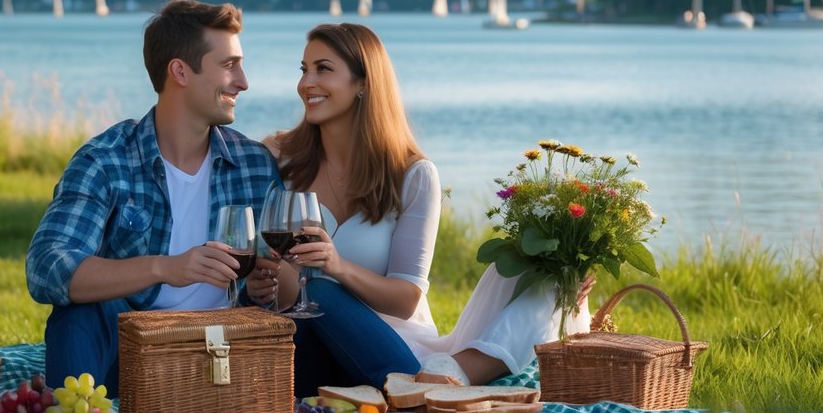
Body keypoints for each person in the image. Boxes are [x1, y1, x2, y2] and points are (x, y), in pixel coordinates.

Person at [246, 22, 591, 388]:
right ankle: (424, 390)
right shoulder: (280, 157)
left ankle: (428, 382)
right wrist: (261, 286)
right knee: (314, 297)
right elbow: (281, 295)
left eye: (323, 69)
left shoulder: (412, 174)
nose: (306, 83)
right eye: (304, 70)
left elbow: (406, 300)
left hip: (395, 347)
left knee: (541, 271)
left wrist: (338, 267)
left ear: (363, 83)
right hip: (308, 350)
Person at [26, 0, 280, 392]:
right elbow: (47, 267)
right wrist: (166, 268)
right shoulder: (106, 161)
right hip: (131, 361)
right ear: (180, 70)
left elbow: (278, 280)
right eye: (229, 65)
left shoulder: (255, 165)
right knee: (79, 313)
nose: (244, 81)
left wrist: (269, 283)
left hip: (228, 360)